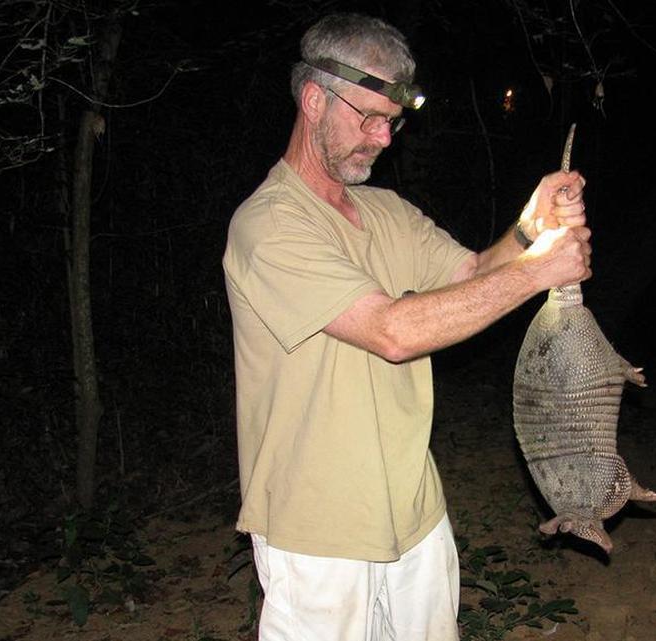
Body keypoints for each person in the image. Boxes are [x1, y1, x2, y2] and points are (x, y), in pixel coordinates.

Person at [222, 12, 591, 641]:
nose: (384, 138)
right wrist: (537, 273)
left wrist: (531, 230)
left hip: (414, 508)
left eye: (391, 122)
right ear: (314, 99)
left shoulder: (385, 209)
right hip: (319, 529)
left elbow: (473, 272)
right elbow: (391, 332)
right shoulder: (269, 225)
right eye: (367, 117)